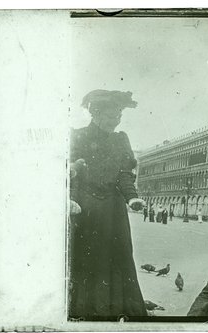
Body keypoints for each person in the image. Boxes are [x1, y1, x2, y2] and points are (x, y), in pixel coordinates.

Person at [68, 89, 147, 320]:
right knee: (88, 257)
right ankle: (86, 309)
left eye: (119, 116)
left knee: (117, 256)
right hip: (85, 207)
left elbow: (124, 173)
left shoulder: (121, 139)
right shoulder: (78, 136)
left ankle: (115, 308)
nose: (117, 120)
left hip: (113, 209)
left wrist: (131, 196)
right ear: (97, 113)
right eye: (113, 116)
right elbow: (72, 172)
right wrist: (71, 198)